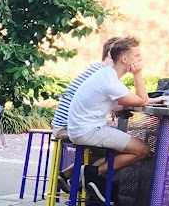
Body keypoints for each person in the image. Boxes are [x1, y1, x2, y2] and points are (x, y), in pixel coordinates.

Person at [67, 36, 155, 202]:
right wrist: (138, 74)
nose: (140, 60)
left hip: (82, 128)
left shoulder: (106, 74)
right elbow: (142, 100)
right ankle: (93, 174)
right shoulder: (110, 82)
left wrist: (154, 99)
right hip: (89, 131)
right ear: (124, 59)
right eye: (136, 56)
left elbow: (129, 99)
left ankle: (89, 175)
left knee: (122, 146)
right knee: (142, 149)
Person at [51, 38, 120, 193]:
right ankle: (87, 178)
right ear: (112, 54)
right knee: (115, 150)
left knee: (104, 147)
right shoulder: (102, 73)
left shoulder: (96, 69)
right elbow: (122, 102)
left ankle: (70, 175)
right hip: (67, 127)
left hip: (63, 125)